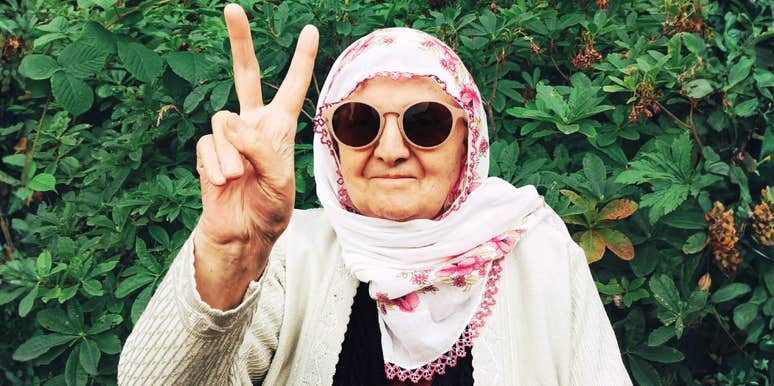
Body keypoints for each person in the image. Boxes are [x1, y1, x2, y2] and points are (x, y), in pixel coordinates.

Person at [117, 4, 632, 385]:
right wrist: (230, 255)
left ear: (468, 141)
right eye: (358, 122)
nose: (390, 150)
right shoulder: (290, 253)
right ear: (332, 145)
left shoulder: (537, 250)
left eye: (425, 123)